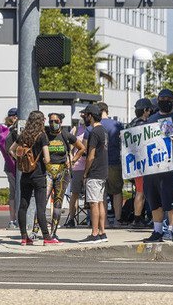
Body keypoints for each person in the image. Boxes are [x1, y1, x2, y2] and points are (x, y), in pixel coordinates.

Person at [30, 112, 85, 241]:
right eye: (51, 122)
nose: (53, 124)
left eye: (55, 121)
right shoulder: (45, 135)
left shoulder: (65, 135)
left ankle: (54, 231)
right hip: (47, 172)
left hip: (62, 172)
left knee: (58, 202)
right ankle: (35, 230)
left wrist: (72, 161)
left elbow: (81, 148)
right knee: (42, 202)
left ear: (60, 122)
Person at [144, 89, 173, 243]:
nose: (165, 101)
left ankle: (172, 231)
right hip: (152, 167)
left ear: (172, 101)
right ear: (158, 99)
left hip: (170, 168)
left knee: (172, 201)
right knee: (154, 201)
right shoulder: (151, 119)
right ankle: (157, 231)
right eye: (162, 98)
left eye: (168, 98)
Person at [10, 110, 59, 245]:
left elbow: (11, 150)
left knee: (23, 206)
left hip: (25, 175)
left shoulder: (23, 135)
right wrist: (43, 162)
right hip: (38, 175)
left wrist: (20, 161)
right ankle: (47, 238)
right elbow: (47, 159)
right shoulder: (42, 136)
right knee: (40, 207)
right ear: (41, 121)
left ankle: (24, 237)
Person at [79, 104, 109, 243]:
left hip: (95, 172)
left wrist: (85, 173)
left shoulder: (94, 132)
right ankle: (102, 232)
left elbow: (90, 155)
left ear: (90, 116)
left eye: (85, 115)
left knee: (93, 203)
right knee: (100, 202)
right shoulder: (103, 130)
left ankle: (95, 233)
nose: (84, 117)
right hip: (103, 172)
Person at [127, 98, 154, 228]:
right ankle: (137, 220)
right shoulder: (143, 125)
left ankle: (138, 218)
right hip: (143, 163)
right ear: (145, 110)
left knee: (140, 191)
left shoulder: (130, 124)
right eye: (149, 110)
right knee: (141, 192)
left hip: (132, 163)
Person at [98, 102, 125, 227]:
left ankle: (104, 221)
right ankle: (117, 220)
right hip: (114, 161)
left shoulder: (94, 126)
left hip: (99, 164)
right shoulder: (117, 124)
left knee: (102, 193)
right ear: (107, 111)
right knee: (117, 192)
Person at [0, 108, 18, 230]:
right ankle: (14, 220)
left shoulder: (4, 132)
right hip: (14, 166)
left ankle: (14, 220)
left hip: (10, 166)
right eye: (15, 116)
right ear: (11, 117)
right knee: (16, 194)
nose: (17, 118)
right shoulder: (10, 131)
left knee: (14, 194)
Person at [63, 111, 88, 229]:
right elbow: (70, 147)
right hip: (77, 166)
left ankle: (91, 219)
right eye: (81, 116)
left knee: (90, 195)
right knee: (75, 193)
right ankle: (71, 219)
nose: (82, 118)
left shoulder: (92, 129)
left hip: (90, 165)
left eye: (84, 115)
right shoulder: (76, 130)